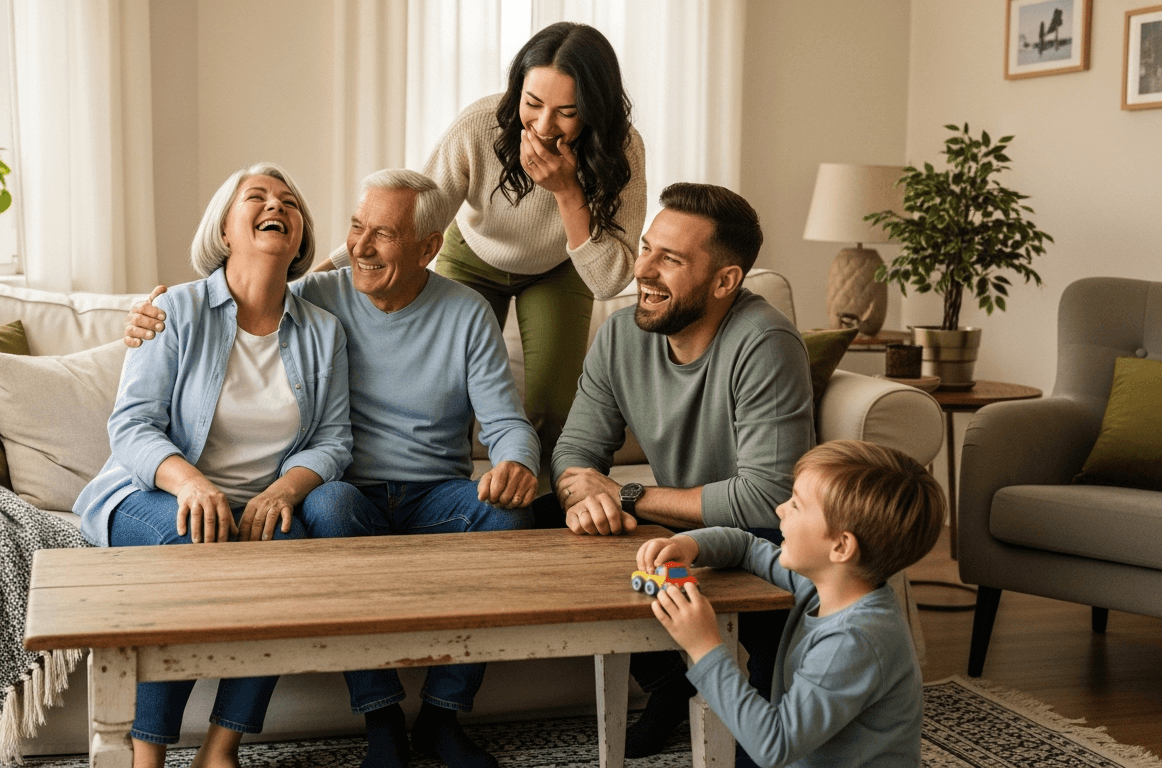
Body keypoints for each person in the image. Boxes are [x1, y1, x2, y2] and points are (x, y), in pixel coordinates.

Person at [125, 169, 540, 768]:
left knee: (508, 514)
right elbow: (243, 298)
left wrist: (517, 462)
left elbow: (505, 422)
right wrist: (139, 326)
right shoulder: (316, 298)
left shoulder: (466, 313)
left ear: (429, 247)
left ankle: (444, 718)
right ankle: (382, 720)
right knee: (326, 506)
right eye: (356, 229)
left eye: (385, 236)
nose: (362, 249)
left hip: (435, 494)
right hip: (346, 493)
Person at [75, 162, 353, 768]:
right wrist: (191, 484)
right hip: (151, 493)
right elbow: (130, 425)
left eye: (289, 201)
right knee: (193, 541)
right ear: (225, 230)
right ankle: (146, 754)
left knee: (295, 553)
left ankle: (220, 750)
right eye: (255, 196)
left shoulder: (323, 330)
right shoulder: (173, 310)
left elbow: (332, 441)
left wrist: (283, 491)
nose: (275, 204)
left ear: (301, 237)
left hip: (255, 503)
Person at [547, 182, 816, 759]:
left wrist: (626, 495)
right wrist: (583, 492)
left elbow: (768, 497)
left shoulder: (764, 342)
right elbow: (573, 452)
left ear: (725, 281)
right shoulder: (620, 334)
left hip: (763, 537)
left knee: (769, 748)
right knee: (560, 524)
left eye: (669, 259)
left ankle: (763, 712)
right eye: (646, 249)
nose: (643, 269)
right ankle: (670, 689)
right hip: (677, 530)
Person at [316, 22, 646, 473]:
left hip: (560, 266)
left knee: (553, 404)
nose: (544, 126)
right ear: (517, 92)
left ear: (595, 109)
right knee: (447, 390)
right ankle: (449, 490)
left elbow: (609, 280)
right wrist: (328, 265)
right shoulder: (479, 126)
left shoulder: (622, 149)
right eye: (532, 104)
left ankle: (545, 509)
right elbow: (412, 215)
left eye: (566, 112)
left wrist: (568, 192)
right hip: (471, 255)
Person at [640, 440, 945, 767]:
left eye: (796, 505)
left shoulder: (853, 641)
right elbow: (747, 546)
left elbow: (775, 745)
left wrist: (704, 647)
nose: (780, 509)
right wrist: (689, 545)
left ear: (841, 547)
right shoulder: (826, 587)